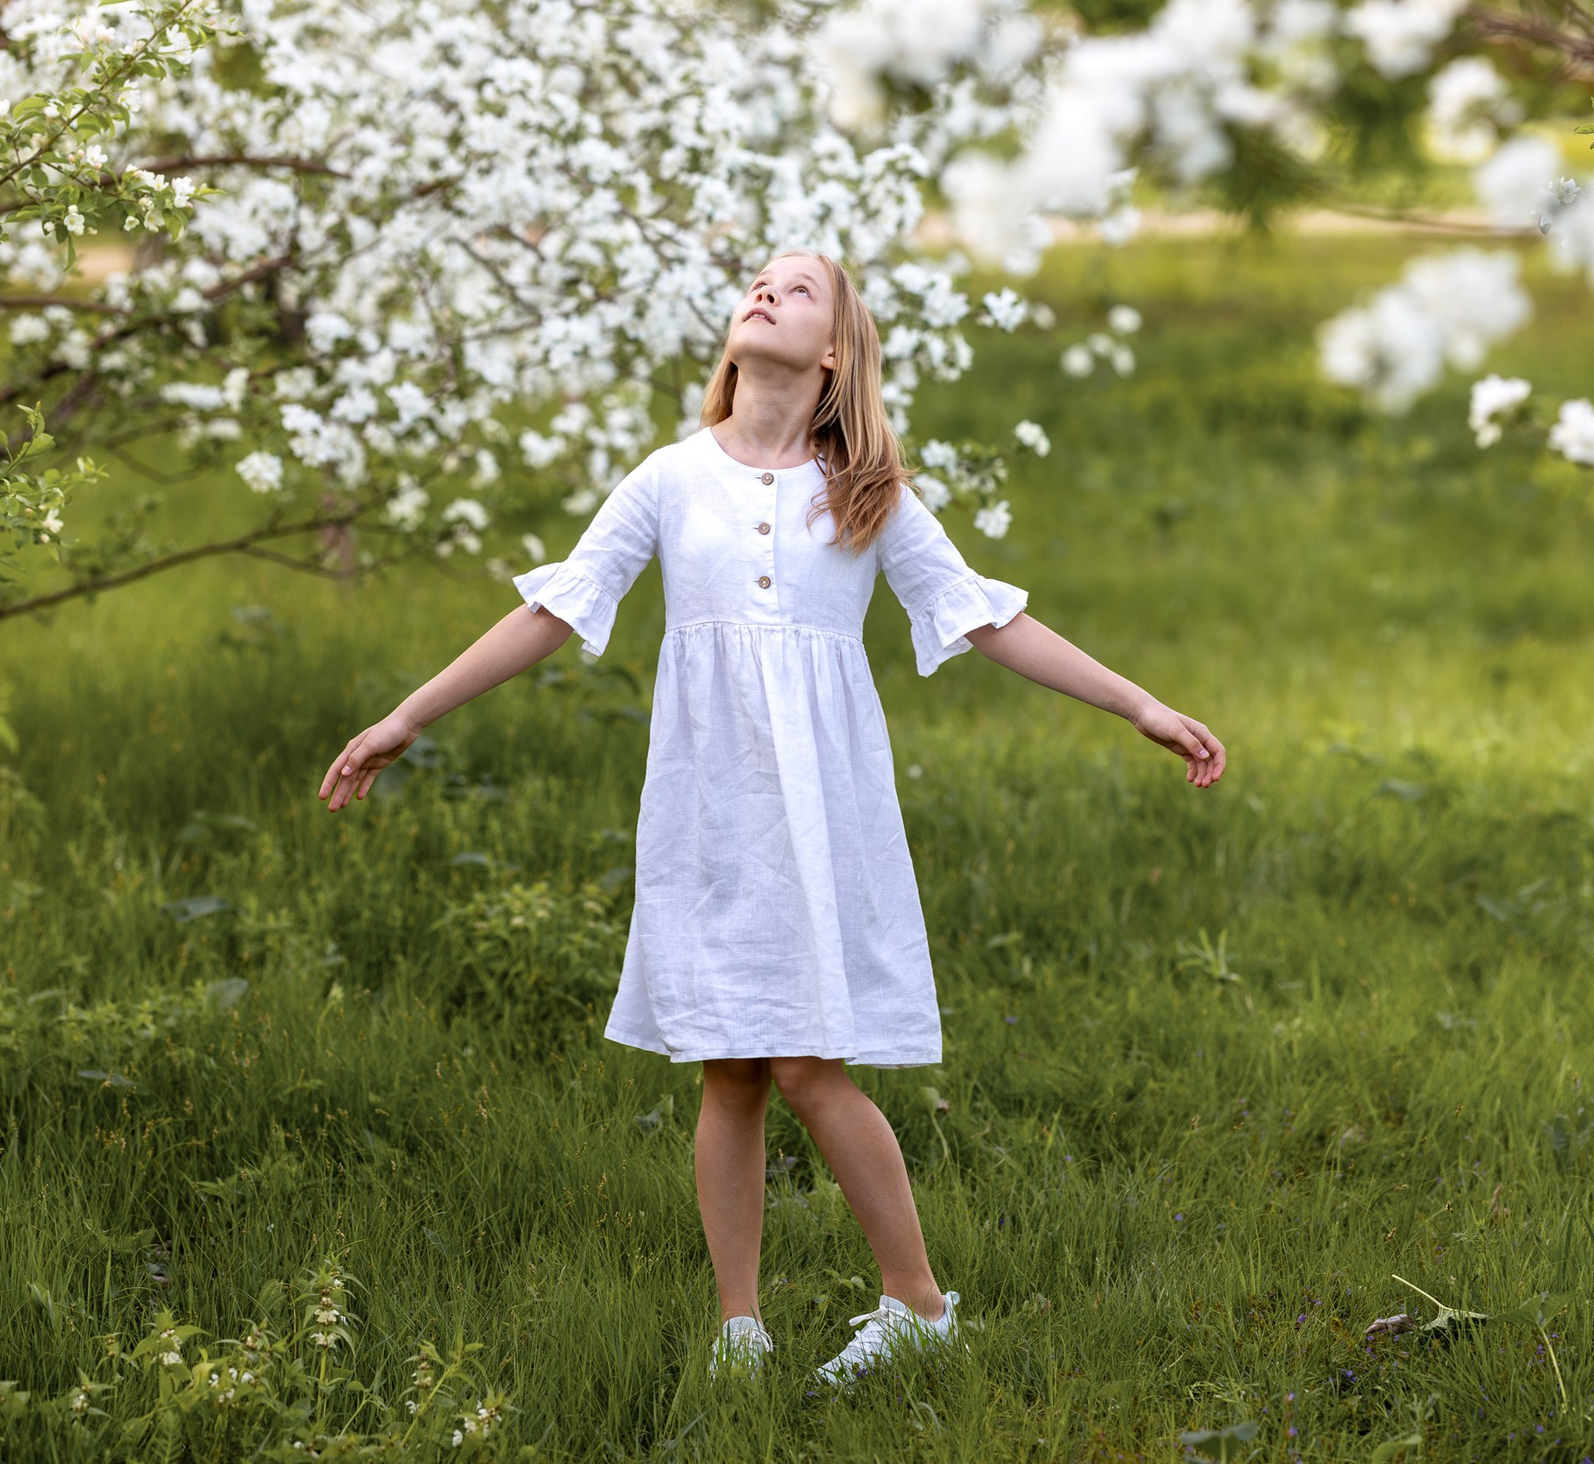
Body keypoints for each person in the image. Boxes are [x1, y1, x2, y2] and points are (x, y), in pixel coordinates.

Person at [318, 251, 1226, 1386]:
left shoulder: (867, 493)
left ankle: (918, 1301)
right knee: (728, 1064)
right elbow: (556, 610)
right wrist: (407, 715)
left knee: (806, 1062)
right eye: (755, 281)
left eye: (795, 290)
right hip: (709, 803)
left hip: (818, 804)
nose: (762, 292)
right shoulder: (669, 477)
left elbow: (982, 617)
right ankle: (738, 1329)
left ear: (835, 350)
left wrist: (1139, 701)